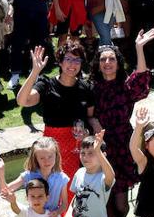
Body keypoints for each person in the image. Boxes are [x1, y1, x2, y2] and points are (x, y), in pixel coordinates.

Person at [91, 35, 154, 217]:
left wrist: (138, 48)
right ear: (98, 64)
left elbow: (142, 79)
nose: (107, 63)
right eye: (103, 60)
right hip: (103, 146)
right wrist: (98, 135)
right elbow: (91, 115)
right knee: (107, 197)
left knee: (121, 204)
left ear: (117, 62)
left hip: (124, 143)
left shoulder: (125, 86)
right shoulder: (94, 87)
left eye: (111, 59)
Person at [16, 42, 95, 181]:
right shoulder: (46, 84)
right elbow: (23, 101)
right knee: (50, 191)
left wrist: (87, 133)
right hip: (50, 149)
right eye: (68, 59)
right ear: (60, 61)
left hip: (77, 149)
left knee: (72, 191)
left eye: (77, 60)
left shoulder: (86, 88)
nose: (72, 64)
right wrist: (34, 72)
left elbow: (91, 118)